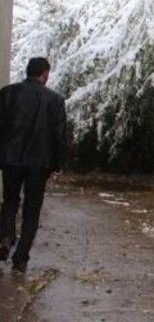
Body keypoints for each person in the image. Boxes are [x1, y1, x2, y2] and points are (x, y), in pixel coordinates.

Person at [0, 57, 67, 272]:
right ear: (45, 73)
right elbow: (59, 136)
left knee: (9, 201)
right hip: (39, 163)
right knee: (32, 209)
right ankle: (21, 257)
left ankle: (5, 236)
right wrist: (58, 163)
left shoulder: (8, 93)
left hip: (10, 159)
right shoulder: (55, 100)